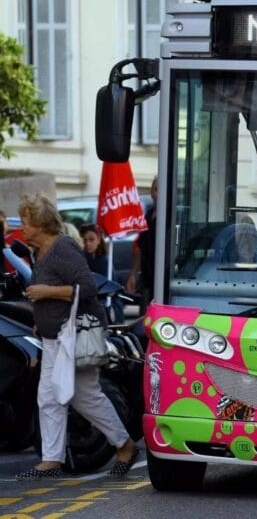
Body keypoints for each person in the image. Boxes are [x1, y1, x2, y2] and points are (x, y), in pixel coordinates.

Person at [14, 193, 138, 480]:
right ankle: (53, 460)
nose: (22, 228)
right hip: (54, 335)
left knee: (84, 397)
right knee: (49, 397)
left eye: (25, 221)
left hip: (74, 336)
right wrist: (39, 319)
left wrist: (46, 292)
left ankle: (124, 445)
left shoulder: (63, 248)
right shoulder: (39, 251)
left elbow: (87, 288)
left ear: (41, 223)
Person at [127, 176, 157, 315]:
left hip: (160, 278)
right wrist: (133, 274)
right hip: (147, 276)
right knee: (144, 315)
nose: (158, 194)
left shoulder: (171, 216)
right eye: (156, 189)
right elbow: (140, 247)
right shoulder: (148, 215)